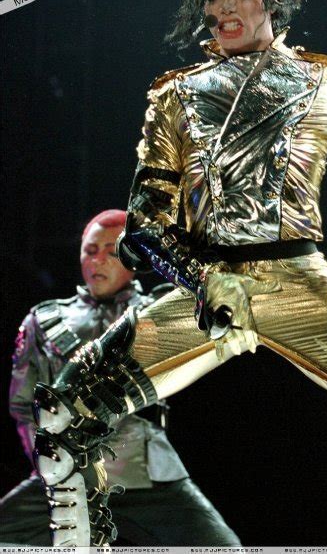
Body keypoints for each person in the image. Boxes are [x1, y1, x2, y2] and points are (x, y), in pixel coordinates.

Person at [32, 0, 327, 548]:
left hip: (298, 283)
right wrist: (203, 280)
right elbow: (143, 226)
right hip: (205, 290)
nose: (224, 8)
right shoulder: (176, 94)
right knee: (63, 414)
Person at [0, 209, 240, 547]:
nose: (98, 260)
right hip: (66, 478)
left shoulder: (157, 310)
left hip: (148, 476)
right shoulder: (43, 319)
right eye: (90, 250)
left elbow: (217, 306)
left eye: (112, 252)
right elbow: (23, 405)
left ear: (132, 258)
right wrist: (51, 469)